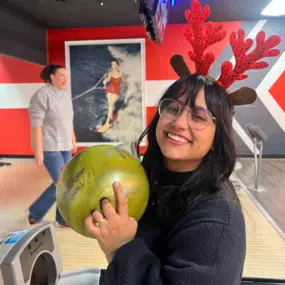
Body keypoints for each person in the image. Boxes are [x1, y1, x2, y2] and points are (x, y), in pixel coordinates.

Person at [84, 74, 246, 285]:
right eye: (173, 108)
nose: (179, 122)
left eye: (198, 117)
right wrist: (83, 194)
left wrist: (121, 248)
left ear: (217, 138)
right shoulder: (153, 179)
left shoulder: (218, 225)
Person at [27, 64, 77, 227]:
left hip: (65, 145)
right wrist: (39, 150)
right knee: (61, 183)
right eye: (61, 75)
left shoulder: (65, 94)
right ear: (51, 77)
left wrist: (73, 140)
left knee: (64, 182)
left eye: (66, 76)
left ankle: (56, 217)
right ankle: (38, 213)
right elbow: (36, 125)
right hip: (50, 146)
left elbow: (69, 120)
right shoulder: (41, 95)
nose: (65, 79)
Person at [101, 59, 125, 128]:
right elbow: (107, 80)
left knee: (111, 104)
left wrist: (122, 77)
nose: (113, 66)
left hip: (116, 91)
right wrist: (105, 80)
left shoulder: (120, 73)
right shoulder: (110, 74)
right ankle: (109, 119)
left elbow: (124, 81)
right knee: (110, 104)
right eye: (112, 65)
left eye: (114, 64)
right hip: (109, 90)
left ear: (117, 65)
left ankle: (108, 120)